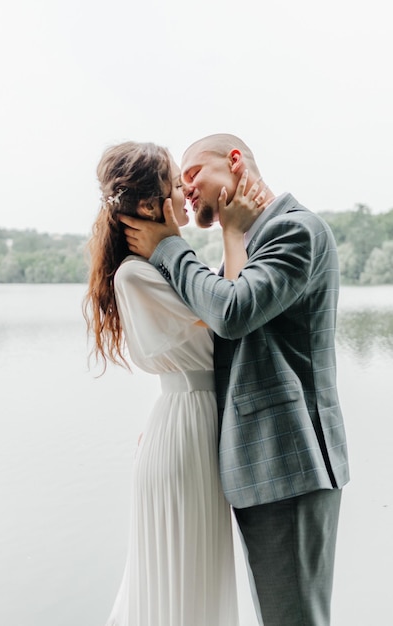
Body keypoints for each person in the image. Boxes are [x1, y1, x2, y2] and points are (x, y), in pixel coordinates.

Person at [119, 133, 350, 626]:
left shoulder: (295, 230)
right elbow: (218, 355)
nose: (184, 191)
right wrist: (169, 419)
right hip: (254, 466)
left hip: (289, 463)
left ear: (235, 161)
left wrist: (167, 247)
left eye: (192, 174)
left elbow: (233, 312)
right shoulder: (241, 252)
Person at [83, 141, 265, 626]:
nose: (186, 191)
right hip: (185, 431)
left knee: (196, 575)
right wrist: (232, 232)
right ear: (148, 206)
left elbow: (219, 306)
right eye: (173, 182)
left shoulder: (161, 269)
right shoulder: (136, 275)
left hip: (195, 424)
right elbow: (228, 314)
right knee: (180, 579)